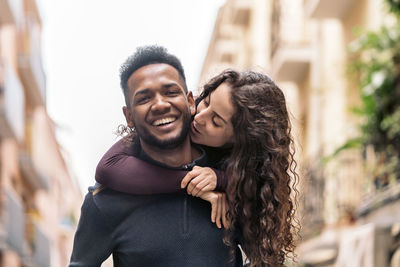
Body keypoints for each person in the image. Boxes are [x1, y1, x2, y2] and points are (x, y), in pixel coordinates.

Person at [95, 68, 299, 266]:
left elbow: (266, 256)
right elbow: (108, 167)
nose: (200, 117)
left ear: (239, 141)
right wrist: (194, 184)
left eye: (216, 121)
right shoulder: (173, 124)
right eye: (207, 102)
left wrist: (220, 179)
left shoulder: (250, 183)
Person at [69, 45, 242, 267]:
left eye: (170, 92)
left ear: (190, 101)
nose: (160, 104)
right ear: (129, 117)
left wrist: (223, 181)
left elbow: (266, 256)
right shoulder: (103, 202)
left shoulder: (234, 183)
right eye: (144, 98)